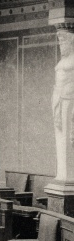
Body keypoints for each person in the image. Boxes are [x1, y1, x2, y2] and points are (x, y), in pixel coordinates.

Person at [52, 29, 74, 180]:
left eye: (63, 43)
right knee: (60, 136)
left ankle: (67, 176)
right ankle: (62, 175)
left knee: (68, 136)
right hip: (59, 98)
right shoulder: (63, 60)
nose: (61, 46)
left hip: (69, 98)